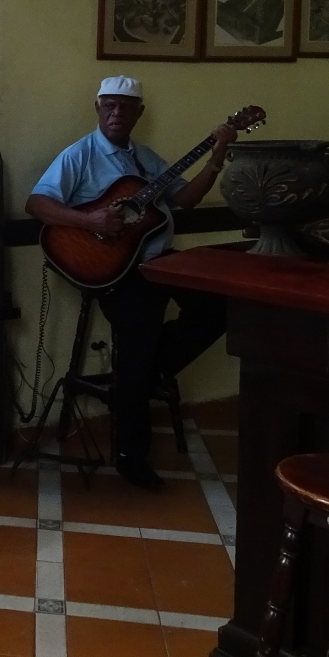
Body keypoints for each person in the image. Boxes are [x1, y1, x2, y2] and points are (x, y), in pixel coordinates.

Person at [25, 75, 235, 490]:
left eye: (125, 106)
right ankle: (130, 456)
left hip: (158, 260)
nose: (116, 113)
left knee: (221, 305)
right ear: (97, 108)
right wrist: (90, 220)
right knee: (137, 342)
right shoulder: (79, 155)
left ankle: (147, 372)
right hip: (116, 270)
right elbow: (36, 203)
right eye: (109, 105)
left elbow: (185, 200)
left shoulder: (144, 158)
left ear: (139, 113)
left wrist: (217, 156)